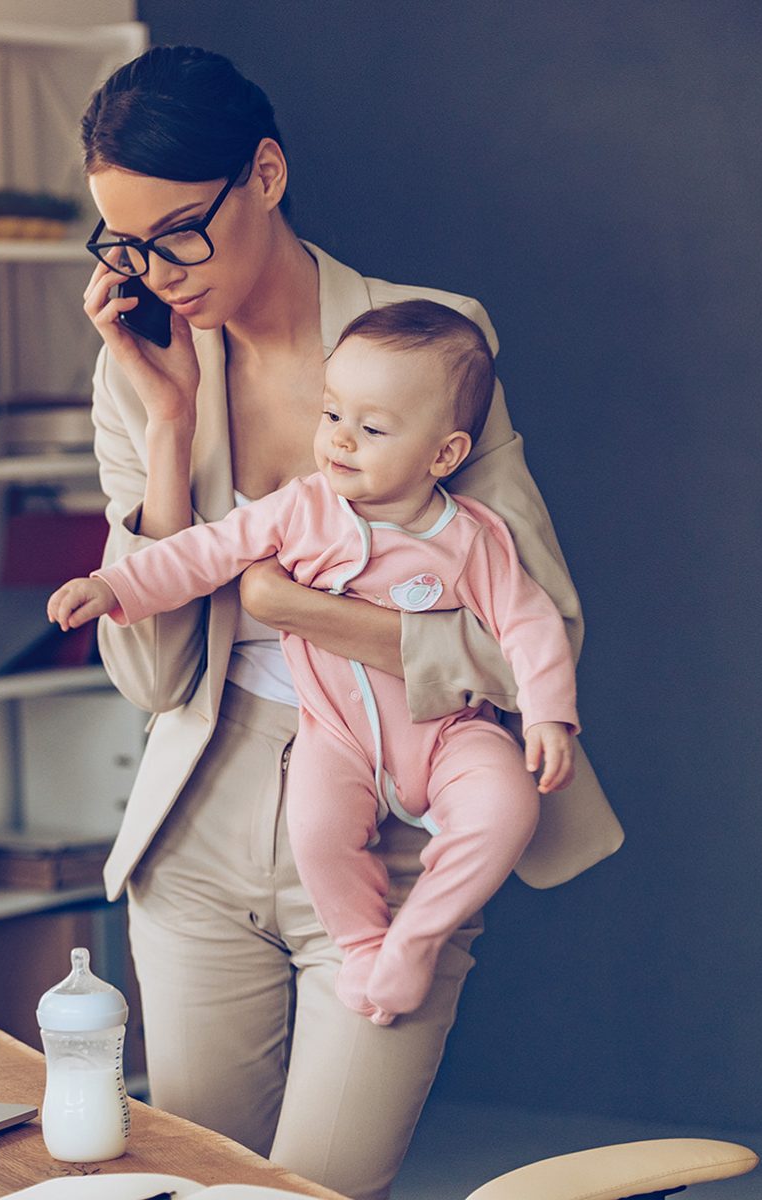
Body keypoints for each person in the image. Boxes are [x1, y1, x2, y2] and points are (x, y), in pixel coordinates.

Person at [76, 45, 624, 1200]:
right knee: (189, 1185)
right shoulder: (138, 368)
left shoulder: (427, 340)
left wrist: (297, 610)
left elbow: (534, 637)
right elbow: (153, 678)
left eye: (179, 232)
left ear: (265, 175)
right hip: (203, 824)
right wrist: (165, 429)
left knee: (314, 1191)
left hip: (397, 821)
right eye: (123, 245)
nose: (156, 273)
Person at [50, 299, 579, 1026]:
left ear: (445, 455)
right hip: (335, 737)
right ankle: (363, 944)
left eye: (372, 428)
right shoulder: (300, 508)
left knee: (508, 805)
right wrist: (113, 585)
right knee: (317, 827)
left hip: (451, 732)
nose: (339, 441)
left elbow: (530, 623)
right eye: (332, 415)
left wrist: (549, 716)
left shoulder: (471, 538)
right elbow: (205, 553)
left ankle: (416, 937)